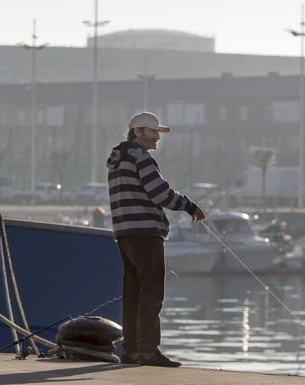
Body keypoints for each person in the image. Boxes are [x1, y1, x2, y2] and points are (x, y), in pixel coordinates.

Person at [106, 112, 205, 367]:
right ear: (138, 132)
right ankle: (149, 350)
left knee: (132, 293)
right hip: (146, 232)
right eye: (153, 132)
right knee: (151, 293)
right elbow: (160, 193)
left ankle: (130, 351)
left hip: (124, 232)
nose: (157, 137)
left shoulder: (117, 161)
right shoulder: (141, 158)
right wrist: (189, 205)